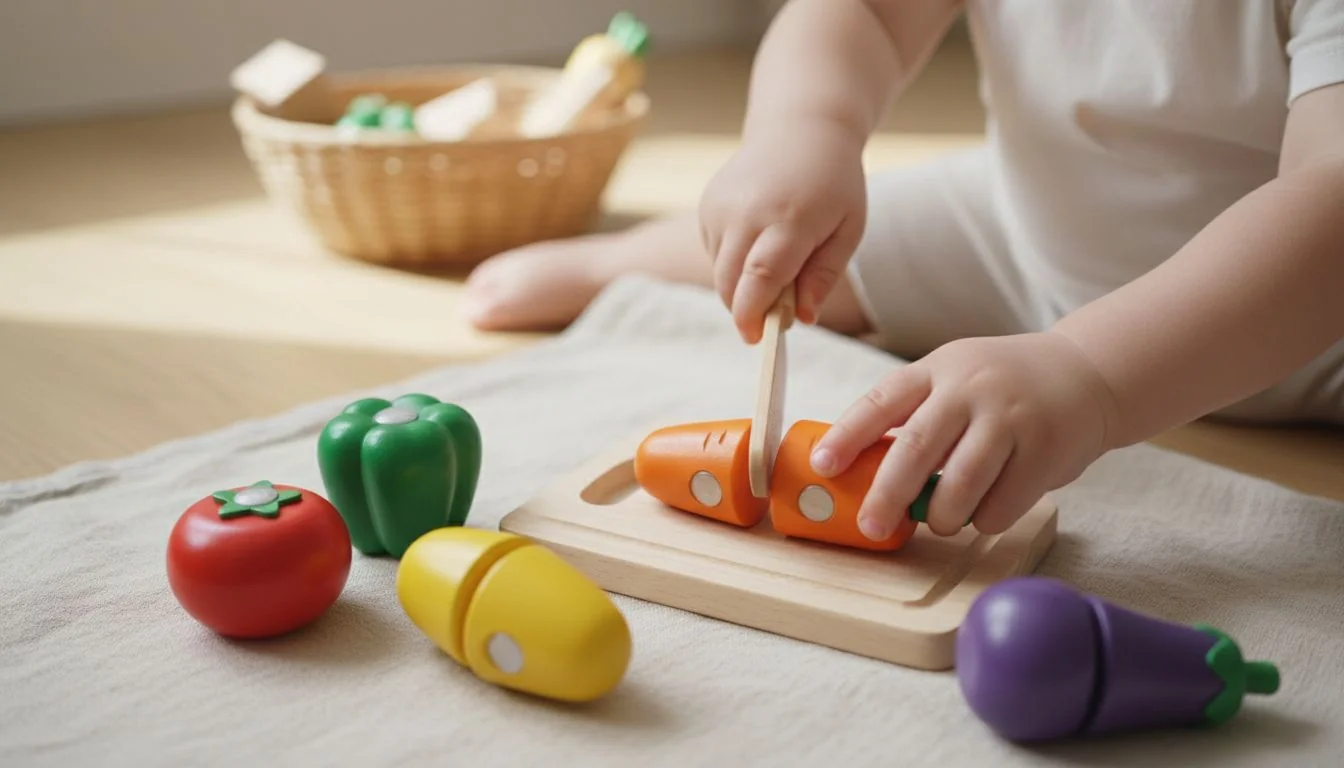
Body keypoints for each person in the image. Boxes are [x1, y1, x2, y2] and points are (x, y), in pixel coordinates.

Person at [461, 1, 1344, 540]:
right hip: (1028, 232)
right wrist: (803, 131)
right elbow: (866, 13)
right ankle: (625, 261)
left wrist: (1092, 375)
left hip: (1306, 322)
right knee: (796, 230)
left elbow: (1329, 202)